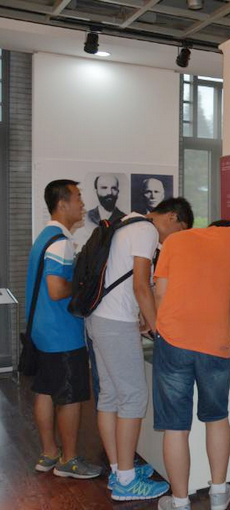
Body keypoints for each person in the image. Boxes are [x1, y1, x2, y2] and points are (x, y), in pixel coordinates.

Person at [86, 198, 193, 502]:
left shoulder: (127, 221)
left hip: (99, 317)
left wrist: (143, 320)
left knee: (110, 396)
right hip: (116, 321)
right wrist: (157, 327)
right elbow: (141, 286)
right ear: (171, 217)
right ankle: (126, 480)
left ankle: (119, 470)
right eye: (179, 231)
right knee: (133, 397)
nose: (174, 240)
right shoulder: (146, 230)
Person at [153, 220, 230, 510]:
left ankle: (180, 502)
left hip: (173, 341)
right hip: (215, 343)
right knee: (217, 417)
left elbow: (160, 293)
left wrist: (163, 328)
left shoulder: (174, 241)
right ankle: (218, 494)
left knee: (176, 426)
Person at [26, 179, 102, 480]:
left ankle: (49, 453)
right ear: (62, 204)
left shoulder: (44, 237)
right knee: (69, 397)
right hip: (62, 334)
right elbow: (57, 289)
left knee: (45, 390)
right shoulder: (61, 243)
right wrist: (82, 284)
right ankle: (68, 460)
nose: (82, 204)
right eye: (78, 198)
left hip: (42, 330)